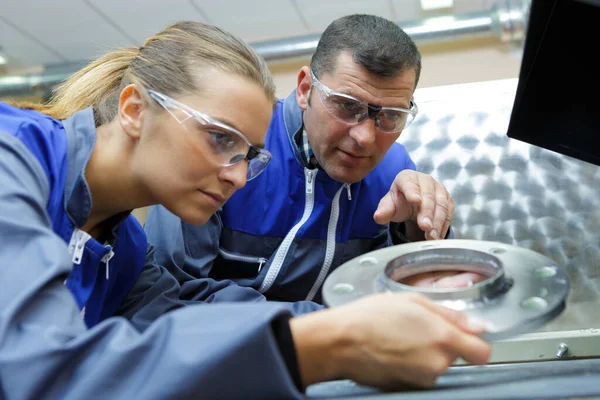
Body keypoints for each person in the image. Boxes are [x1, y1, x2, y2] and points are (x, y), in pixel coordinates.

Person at [0, 20, 490, 399]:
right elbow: (40, 374)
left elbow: (189, 327)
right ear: (133, 110)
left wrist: (367, 312)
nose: (237, 175)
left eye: (249, 155)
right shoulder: (13, 158)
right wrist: (327, 344)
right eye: (219, 138)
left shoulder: (125, 251)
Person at [141, 13, 482, 318]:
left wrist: (417, 233)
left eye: (391, 116)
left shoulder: (394, 173)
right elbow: (171, 295)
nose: (365, 137)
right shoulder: (234, 143)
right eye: (347, 106)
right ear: (305, 89)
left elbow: (397, 302)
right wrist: (322, 324)